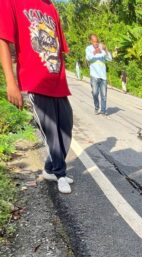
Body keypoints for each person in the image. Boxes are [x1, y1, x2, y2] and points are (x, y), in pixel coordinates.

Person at [0, 0, 74, 193]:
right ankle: (60, 174)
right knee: (52, 134)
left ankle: (50, 169)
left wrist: (62, 78)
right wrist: (11, 82)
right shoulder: (11, 2)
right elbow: (3, 41)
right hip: (35, 82)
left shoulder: (51, 7)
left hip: (58, 83)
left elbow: (60, 49)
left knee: (66, 128)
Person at [85, 34, 112, 115]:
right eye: (94, 41)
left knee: (104, 95)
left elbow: (110, 59)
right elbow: (88, 58)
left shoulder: (101, 48)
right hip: (94, 75)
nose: (96, 43)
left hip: (103, 76)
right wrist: (95, 52)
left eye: (97, 41)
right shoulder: (89, 49)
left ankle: (103, 111)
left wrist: (105, 49)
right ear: (91, 41)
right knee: (95, 93)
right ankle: (97, 107)